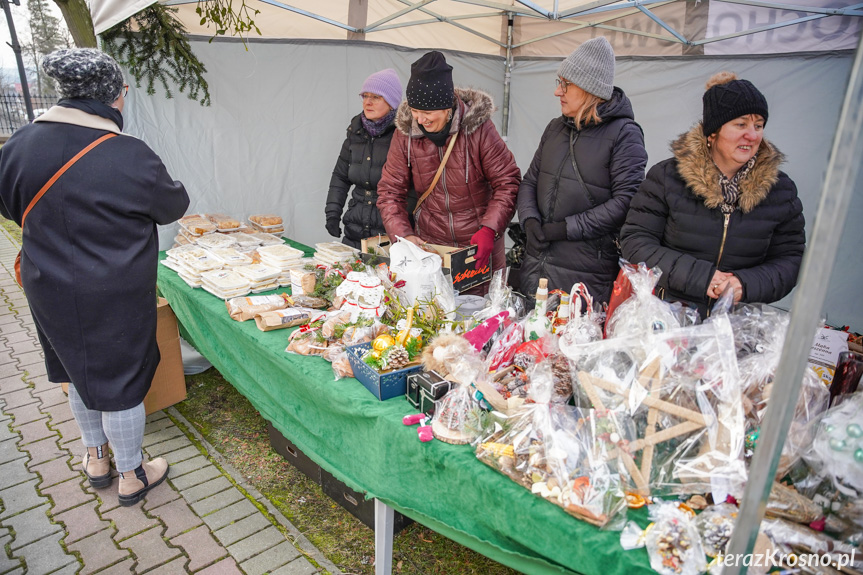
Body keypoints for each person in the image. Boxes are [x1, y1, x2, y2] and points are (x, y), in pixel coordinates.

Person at [0, 48, 190, 506]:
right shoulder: (128, 154)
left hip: (49, 285)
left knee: (74, 369)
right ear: (112, 97)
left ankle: (95, 459)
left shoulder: (19, 145)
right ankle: (131, 474)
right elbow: (173, 207)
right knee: (122, 380)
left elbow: (9, 208)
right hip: (116, 289)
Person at [620, 71, 805, 316]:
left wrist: (745, 284)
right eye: (740, 124)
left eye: (758, 125)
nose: (752, 135)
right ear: (713, 132)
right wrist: (700, 277)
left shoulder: (780, 190)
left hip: (739, 326)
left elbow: (790, 259)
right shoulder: (668, 177)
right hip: (669, 318)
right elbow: (635, 240)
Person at [517, 37, 647, 304]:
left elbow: (626, 202)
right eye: (559, 83)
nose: (558, 92)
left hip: (585, 275)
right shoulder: (555, 128)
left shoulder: (624, 134)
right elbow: (530, 180)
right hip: (536, 265)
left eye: (566, 84)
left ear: (589, 89)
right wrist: (529, 220)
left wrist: (564, 229)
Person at [376, 51, 521, 292]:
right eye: (414, 110)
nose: (420, 120)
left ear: (447, 107)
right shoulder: (406, 134)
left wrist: (490, 229)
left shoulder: (479, 129)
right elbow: (389, 190)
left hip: (477, 254)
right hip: (431, 255)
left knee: (477, 321)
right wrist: (404, 237)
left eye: (428, 112)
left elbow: (508, 182)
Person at [326, 68, 409, 249]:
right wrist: (333, 213)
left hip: (389, 236)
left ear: (392, 102)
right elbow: (340, 177)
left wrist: (405, 229)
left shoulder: (404, 136)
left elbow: (413, 189)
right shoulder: (355, 131)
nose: (368, 102)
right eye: (365, 96)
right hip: (354, 231)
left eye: (376, 97)